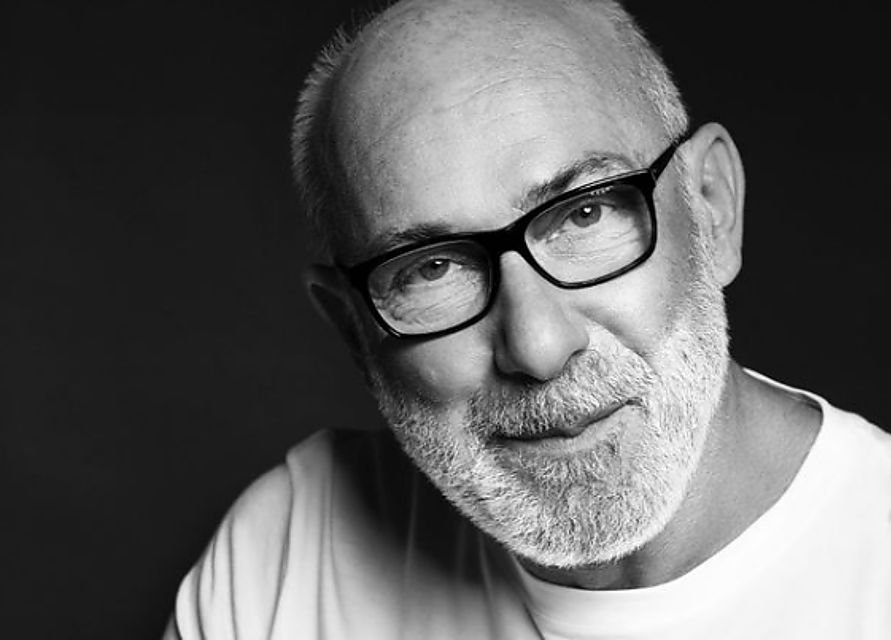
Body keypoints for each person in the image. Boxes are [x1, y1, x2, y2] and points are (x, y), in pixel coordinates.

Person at [164, 0, 891, 637]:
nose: (538, 347)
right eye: (432, 268)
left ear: (711, 208)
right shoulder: (286, 558)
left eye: (584, 214)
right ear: (354, 328)